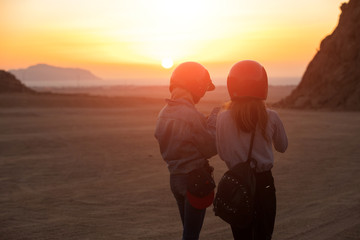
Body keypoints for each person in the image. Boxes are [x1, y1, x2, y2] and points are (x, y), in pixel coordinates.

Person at [216, 60, 288, 240]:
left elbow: (223, 153)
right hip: (264, 182)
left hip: (237, 180)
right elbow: (282, 147)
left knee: (241, 235)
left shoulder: (222, 118)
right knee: (263, 235)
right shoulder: (271, 116)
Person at [154, 62, 218, 240]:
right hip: (194, 180)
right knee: (191, 236)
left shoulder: (163, 113)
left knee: (188, 233)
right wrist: (213, 120)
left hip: (175, 179)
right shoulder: (191, 114)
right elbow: (210, 148)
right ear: (196, 86)